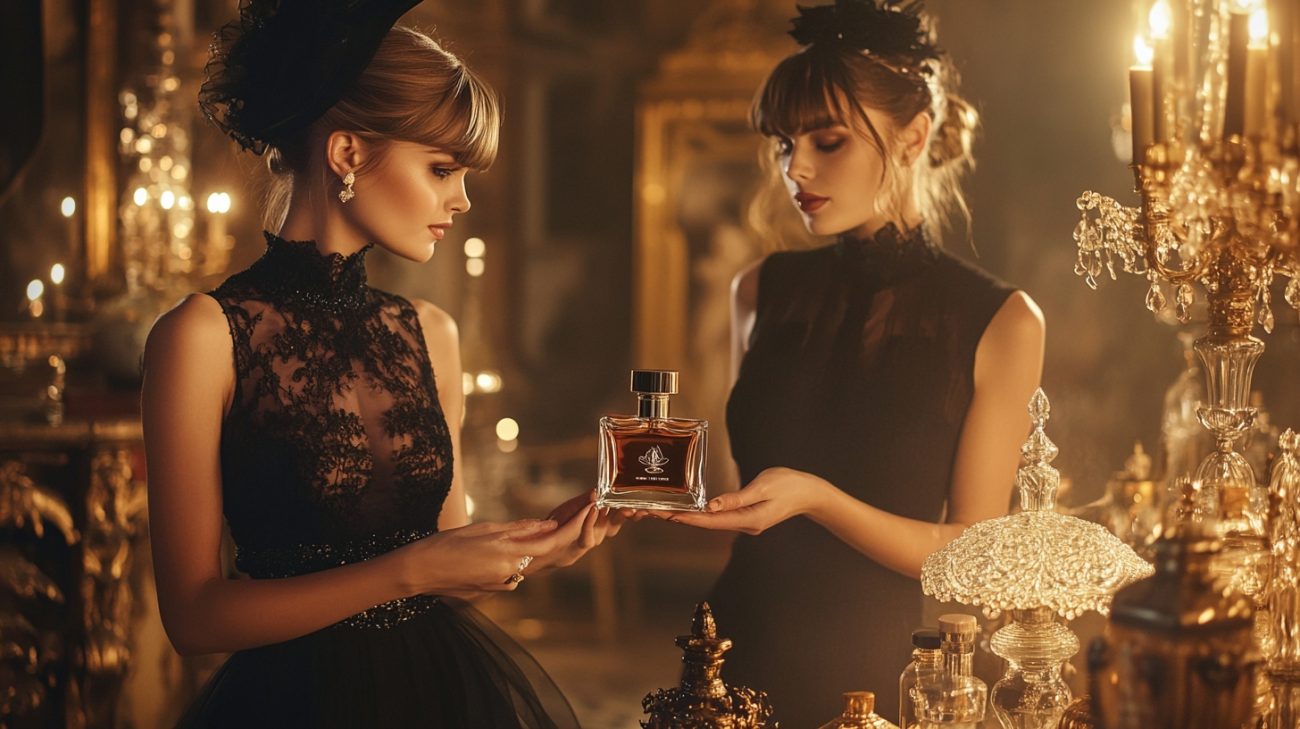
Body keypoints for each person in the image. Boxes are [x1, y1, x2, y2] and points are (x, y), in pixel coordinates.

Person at [140, 2, 620, 726]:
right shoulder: (202, 336)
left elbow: (445, 566)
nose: (460, 200)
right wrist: (407, 571)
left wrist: (537, 548)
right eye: (441, 168)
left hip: (440, 691)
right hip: (290, 704)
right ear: (347, 154)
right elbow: (195, 617)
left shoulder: (429, 331)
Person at [663, 1, 1046, 724]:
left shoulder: (1001, 319)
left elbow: (972, 551)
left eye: (827, 140)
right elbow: (733, 488)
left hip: (871, 672)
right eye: (783, 144)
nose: (795, 167)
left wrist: (819, 498)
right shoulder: (760, 288)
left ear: (914, 137)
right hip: (728, 648)